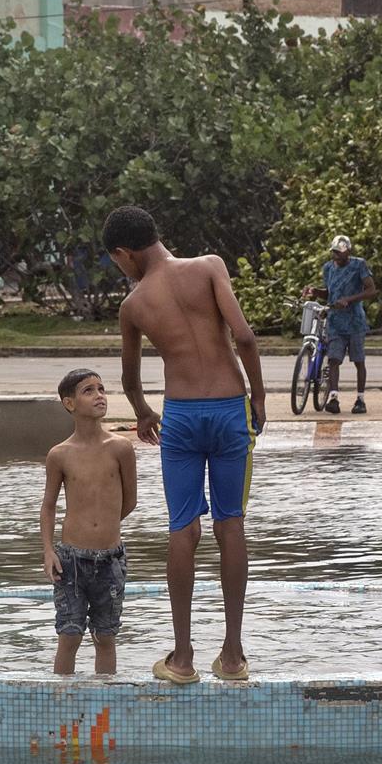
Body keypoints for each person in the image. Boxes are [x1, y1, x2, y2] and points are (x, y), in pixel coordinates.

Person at [109, 205, 266, 685]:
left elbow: (130, 378)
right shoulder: (209, 267)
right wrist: (257, 396)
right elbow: (245, 337)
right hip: (227, 409)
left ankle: (182, 658)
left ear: (124, 253)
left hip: (179, 416)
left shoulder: (133, 305)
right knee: (231, 524)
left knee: (183, 529)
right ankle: (234, 655)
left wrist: (141, 414)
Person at [41, 369, 137, 676]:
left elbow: (130, 500)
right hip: (71, 558)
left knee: (106, 636)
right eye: (88, 391)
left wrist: (103, 523)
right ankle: (62, 704)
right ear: (70, 404)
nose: (99, 396)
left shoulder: (121, 448)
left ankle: (103, 709)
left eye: (101, 389)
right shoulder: (60, 454)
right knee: (69, 635)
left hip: (110, 558)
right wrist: (47, 550)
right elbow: (48, 506)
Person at [301, 234, 376, 415]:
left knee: (358, 360)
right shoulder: (328, 268)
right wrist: (314, 291)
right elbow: (329, 292)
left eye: (339, 253)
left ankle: (360, 399)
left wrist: (349, 300)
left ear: (348, 252)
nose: (336, 256)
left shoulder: (358, 265)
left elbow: (371, 290)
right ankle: (333, 397)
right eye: (334, 252)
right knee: (334, 359)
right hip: (335, 320)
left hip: (355, 320)